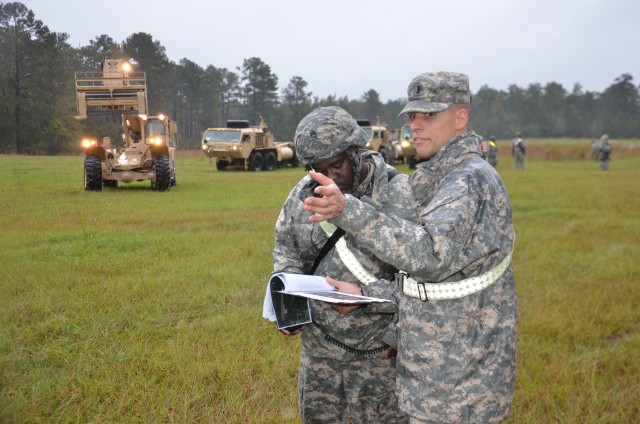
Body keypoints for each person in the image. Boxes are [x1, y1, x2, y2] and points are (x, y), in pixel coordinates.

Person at [303, 72, 517, 423]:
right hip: (432, 376)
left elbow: (429, 256)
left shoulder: (470, 180)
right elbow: (440, 286)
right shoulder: (439, 178)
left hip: (456, 385)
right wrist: (364, 295)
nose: (416, 125)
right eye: (413, 116)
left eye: (429, 116)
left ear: (460, 118)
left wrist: (347, 210)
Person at [272, 106, 415, 423]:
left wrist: (396, 332)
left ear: (357, 152)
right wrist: (289, 305)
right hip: (319, 352)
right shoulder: (304, 193)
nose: (330, 178)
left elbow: (423, 281)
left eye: (337, 166)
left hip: (378, 353)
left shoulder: (398, 194)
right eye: (318, 169)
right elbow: (287, 245)